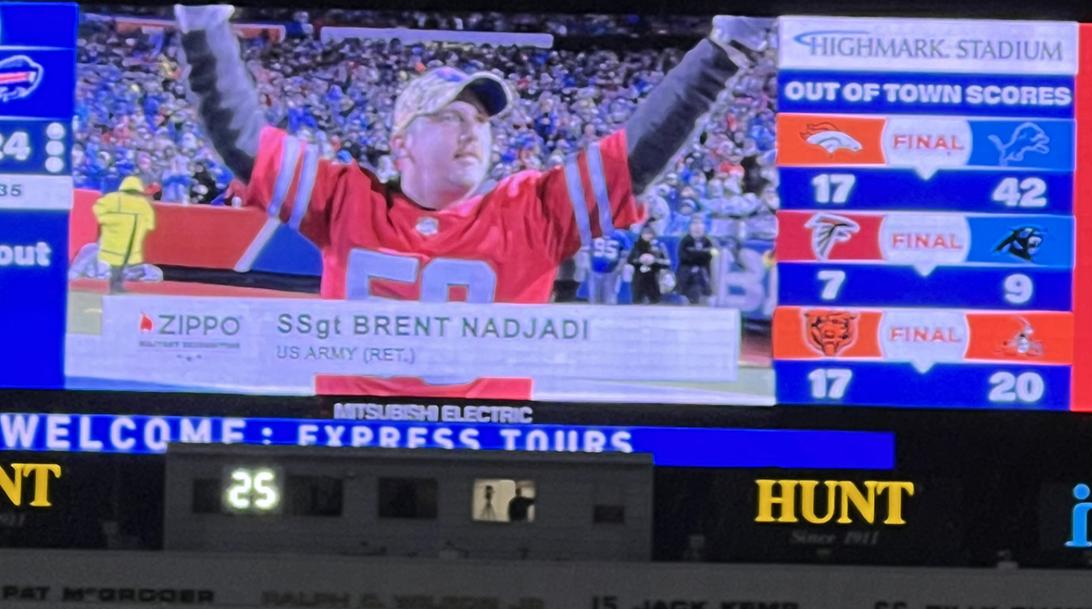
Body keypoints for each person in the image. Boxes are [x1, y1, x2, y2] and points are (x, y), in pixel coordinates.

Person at [174, 5, 771, 398]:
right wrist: (203, 28)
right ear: (401, 142)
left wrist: (727, 50)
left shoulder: (532, 212)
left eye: (483, 121)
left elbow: (639, 152)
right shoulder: (344, 199)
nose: (472, 131)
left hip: (496, 453)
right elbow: (244, 142)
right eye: (451, 116)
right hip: (351, 447)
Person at [676, 217, 715, 304]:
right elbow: (683, 256)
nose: (697, 226)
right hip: (686, 270)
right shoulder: (685, 240)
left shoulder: (707, 241)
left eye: (699, 223)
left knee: (702, 276)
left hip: (703, 270)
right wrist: (699, 256)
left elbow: (710, 256)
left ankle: (706, 295)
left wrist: (697, 258)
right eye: (694, 223)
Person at [630, 225, 670, 304]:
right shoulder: (637, 245)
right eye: (645, 233)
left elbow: (667, 262)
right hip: (639, 278)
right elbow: (631, 260)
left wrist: (654, 261)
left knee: (655, 301)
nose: (647, 236)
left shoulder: (659, 246)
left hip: (654, 278)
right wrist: (640, 260)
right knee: (637, 301)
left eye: (649, 233)